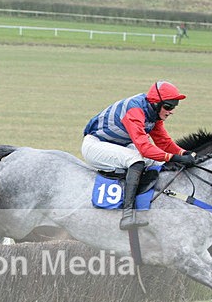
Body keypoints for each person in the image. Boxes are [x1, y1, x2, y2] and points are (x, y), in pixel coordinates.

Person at [82, 81, 196, 230]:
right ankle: (127, 215)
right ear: (156, 103)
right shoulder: (135, 110)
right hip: (95, 145)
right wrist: (174, 157)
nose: (171, 111)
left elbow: (163, 142)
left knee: (157, 163)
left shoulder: (153, 114)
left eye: (174, 107)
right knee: (136, 160)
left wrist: (184, 153)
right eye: (168, 107)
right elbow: (144, 148)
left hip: (118, 145)